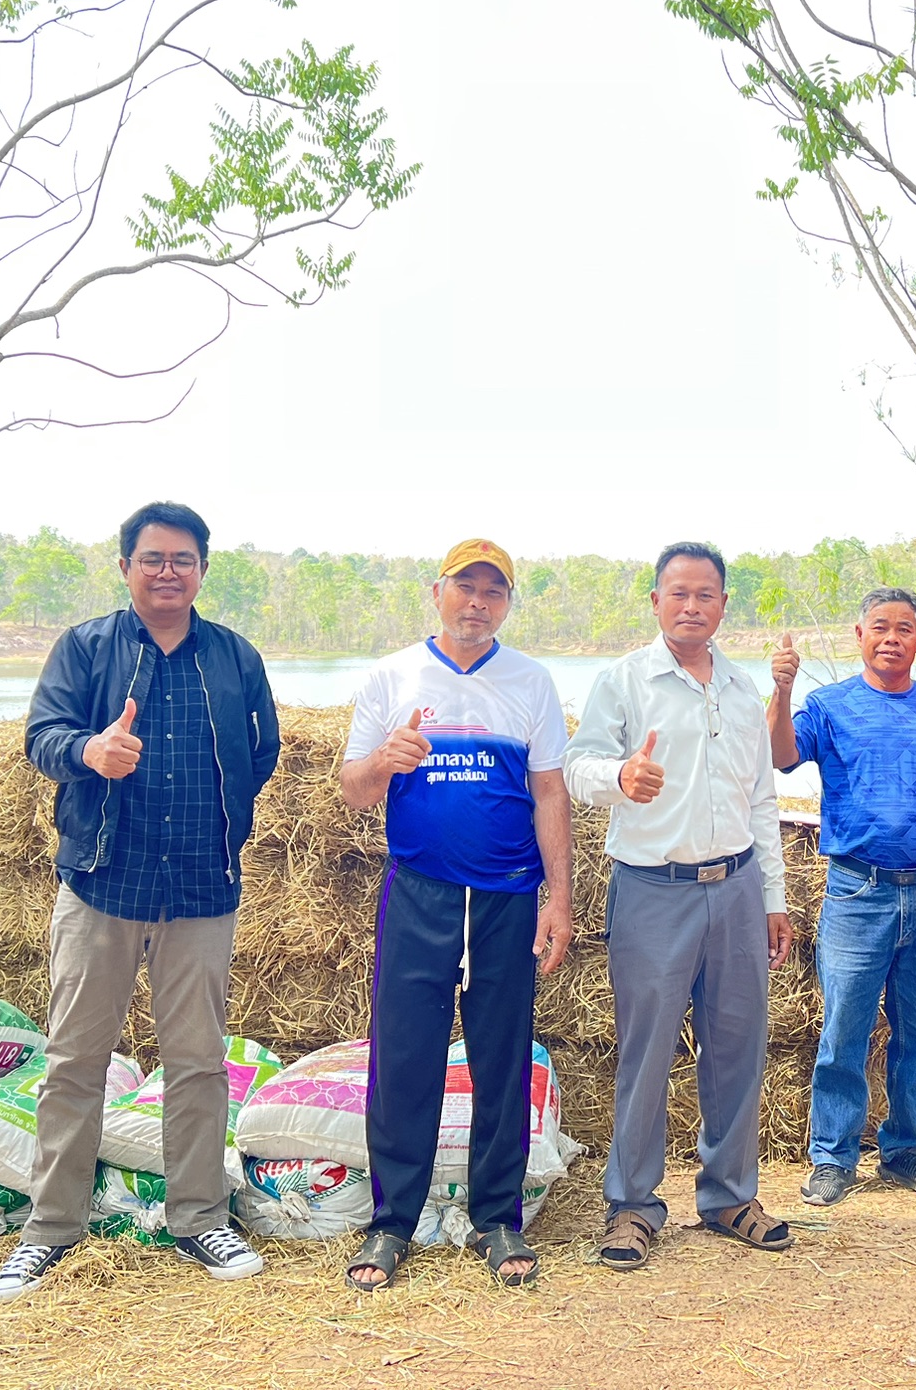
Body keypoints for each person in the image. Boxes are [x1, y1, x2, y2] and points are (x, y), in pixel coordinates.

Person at [0, 502, 281, 1303]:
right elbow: (41, 737)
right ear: (125, 567)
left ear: (203, 571)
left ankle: (199, 1217)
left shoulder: (234, 656)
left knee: (198, 1063)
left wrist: (219, 821)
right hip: (103, 883)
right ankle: (51, 1229)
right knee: (75, 1061)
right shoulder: (86, 647)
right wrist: (91, 750)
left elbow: (262, 751)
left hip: (201, 888)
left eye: (183, 560)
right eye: (152, 558)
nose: (167, 572)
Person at [337, 539, 575, 1292]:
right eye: (464, 587)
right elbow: (353, 790)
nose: (477, 602)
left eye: (493, 591)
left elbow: (550, 792)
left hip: (507, 896)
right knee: (404, 1055)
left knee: (501, 1057)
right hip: (420, 890)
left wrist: (559, 898)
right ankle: (391, 1223)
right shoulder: (393, 676)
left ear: (507, 603)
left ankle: (496, 1217)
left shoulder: (530, 681)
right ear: (436, 592)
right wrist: (386, 760)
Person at [566, 542, 794, 1270]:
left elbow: (761, 798)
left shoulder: (740, 687)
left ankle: (729, 1197)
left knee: (737, 1047)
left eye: (706, 594)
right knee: (647, 1051)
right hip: (653, 892)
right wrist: (619, 776)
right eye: (679, 593)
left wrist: (773, 897)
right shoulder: (625, 680)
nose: (692, 606)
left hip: (736, 888)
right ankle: (633, 1205)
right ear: (656, 601)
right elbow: (576, 767)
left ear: (724, 604)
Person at [768, 588, 916, 1205]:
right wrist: (780, 690)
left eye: (904, 628)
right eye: (880, 627)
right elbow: (780, 756)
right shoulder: (829, 706)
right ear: (859, 635)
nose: (892, 638)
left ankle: (906, 1151)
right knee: (845, 1030)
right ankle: (832, 1157)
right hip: (859, 891)